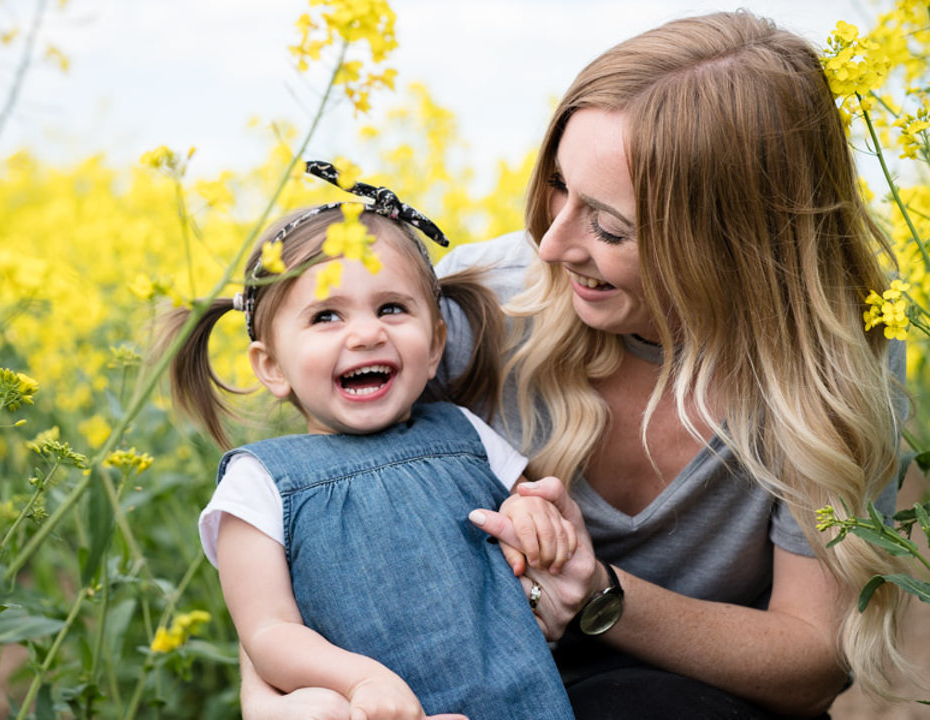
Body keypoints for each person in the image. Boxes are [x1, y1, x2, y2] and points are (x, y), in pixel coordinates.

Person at [242, 11, 915, 720]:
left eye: (610, 227)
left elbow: (811, 662)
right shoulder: (469, 311)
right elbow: (317, 541)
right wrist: (285, 702)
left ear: (732, 243)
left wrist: (596, 591)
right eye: (559, 186)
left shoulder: (835, 361)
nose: (553, 242)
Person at [161, 161, 578, 720]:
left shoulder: (465, 432)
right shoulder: (258, 485)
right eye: (327, 316)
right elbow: (266, 631)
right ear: (271, 366)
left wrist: (535, 520)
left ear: (435, 345)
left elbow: (525, 515)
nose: (366, 332)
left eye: (391, 308)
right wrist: (361, 681)